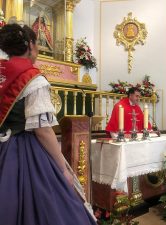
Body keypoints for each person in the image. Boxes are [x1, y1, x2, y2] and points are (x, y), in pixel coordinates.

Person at [0, 24, 96, 225]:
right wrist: (63, 169)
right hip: (25, 152)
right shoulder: (33, 79)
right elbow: (43, 131)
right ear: (31, 46)